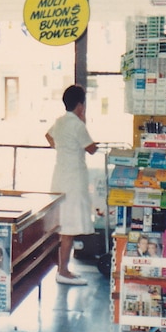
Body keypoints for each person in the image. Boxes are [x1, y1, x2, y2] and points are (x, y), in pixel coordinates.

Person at [46, 84, 97, 286]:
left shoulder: (60, 122)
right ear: (80, 105)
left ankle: (64, 268)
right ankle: (63, 271)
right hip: (74, 180)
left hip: (60, 177)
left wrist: (62, 148)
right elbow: (91, 149)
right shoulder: (77, 124)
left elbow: (48, 136)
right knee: (68, 228)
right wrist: (83, 120)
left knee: (65, 226)